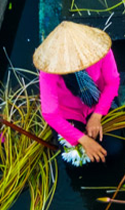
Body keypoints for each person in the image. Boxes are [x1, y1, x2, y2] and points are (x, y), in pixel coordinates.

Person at [34, 22, 119, 165]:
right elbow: (50, 114)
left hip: (98, 100)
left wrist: (97, 115)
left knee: (114, 149)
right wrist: (83, 139)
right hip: (69, 113)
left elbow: (112, 82)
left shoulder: (100, 51)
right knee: (76, 161)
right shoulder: (50, 68)